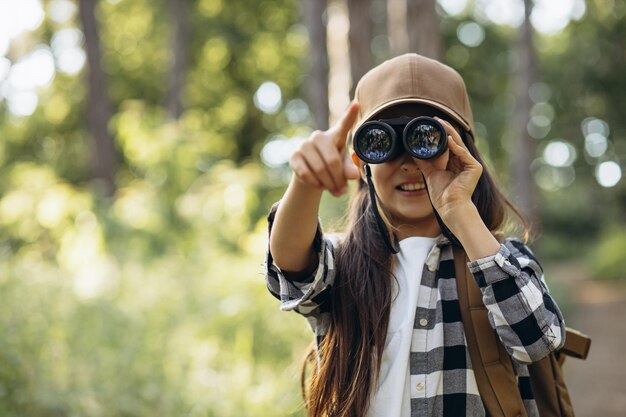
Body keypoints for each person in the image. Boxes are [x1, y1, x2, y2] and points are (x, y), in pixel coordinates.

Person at [264, 53, 565, 417]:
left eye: (426, 138)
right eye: (383, 143)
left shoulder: (500, 258)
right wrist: (304, 184)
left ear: (463, 153)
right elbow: (291, 268)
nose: (409, 162)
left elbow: (539, 339)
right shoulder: (345, 264)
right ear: (362, 165)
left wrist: (459, 209)